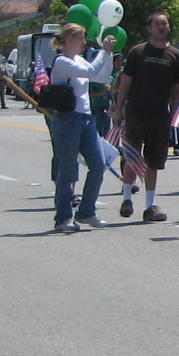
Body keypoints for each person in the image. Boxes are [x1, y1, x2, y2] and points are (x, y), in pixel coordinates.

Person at [112, 11, 179, 223]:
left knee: (153, 160)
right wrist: (119, 109)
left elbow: (178, 89)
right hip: (136, 111)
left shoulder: (176, 56)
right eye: (157, 24)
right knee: (132, 154)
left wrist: (175, 114)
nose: (161, 27)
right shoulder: (138, 52)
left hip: (160, 115)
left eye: (164, 23)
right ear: (150, 28)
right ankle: (127, 199)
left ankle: (149, 206)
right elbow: (125, 82)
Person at [42, 22, 116, 232]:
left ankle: (86, 211)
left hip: (86, 118)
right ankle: (63, 217)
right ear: (69, 40)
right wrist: (104, 51)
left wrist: (108, 56)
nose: (84, 42)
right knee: (67, 170)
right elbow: (92, 71)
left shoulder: (79, 60)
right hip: (67, 119)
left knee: (98, 164)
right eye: (81, 38)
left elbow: (99, 77)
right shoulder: (62, 62)